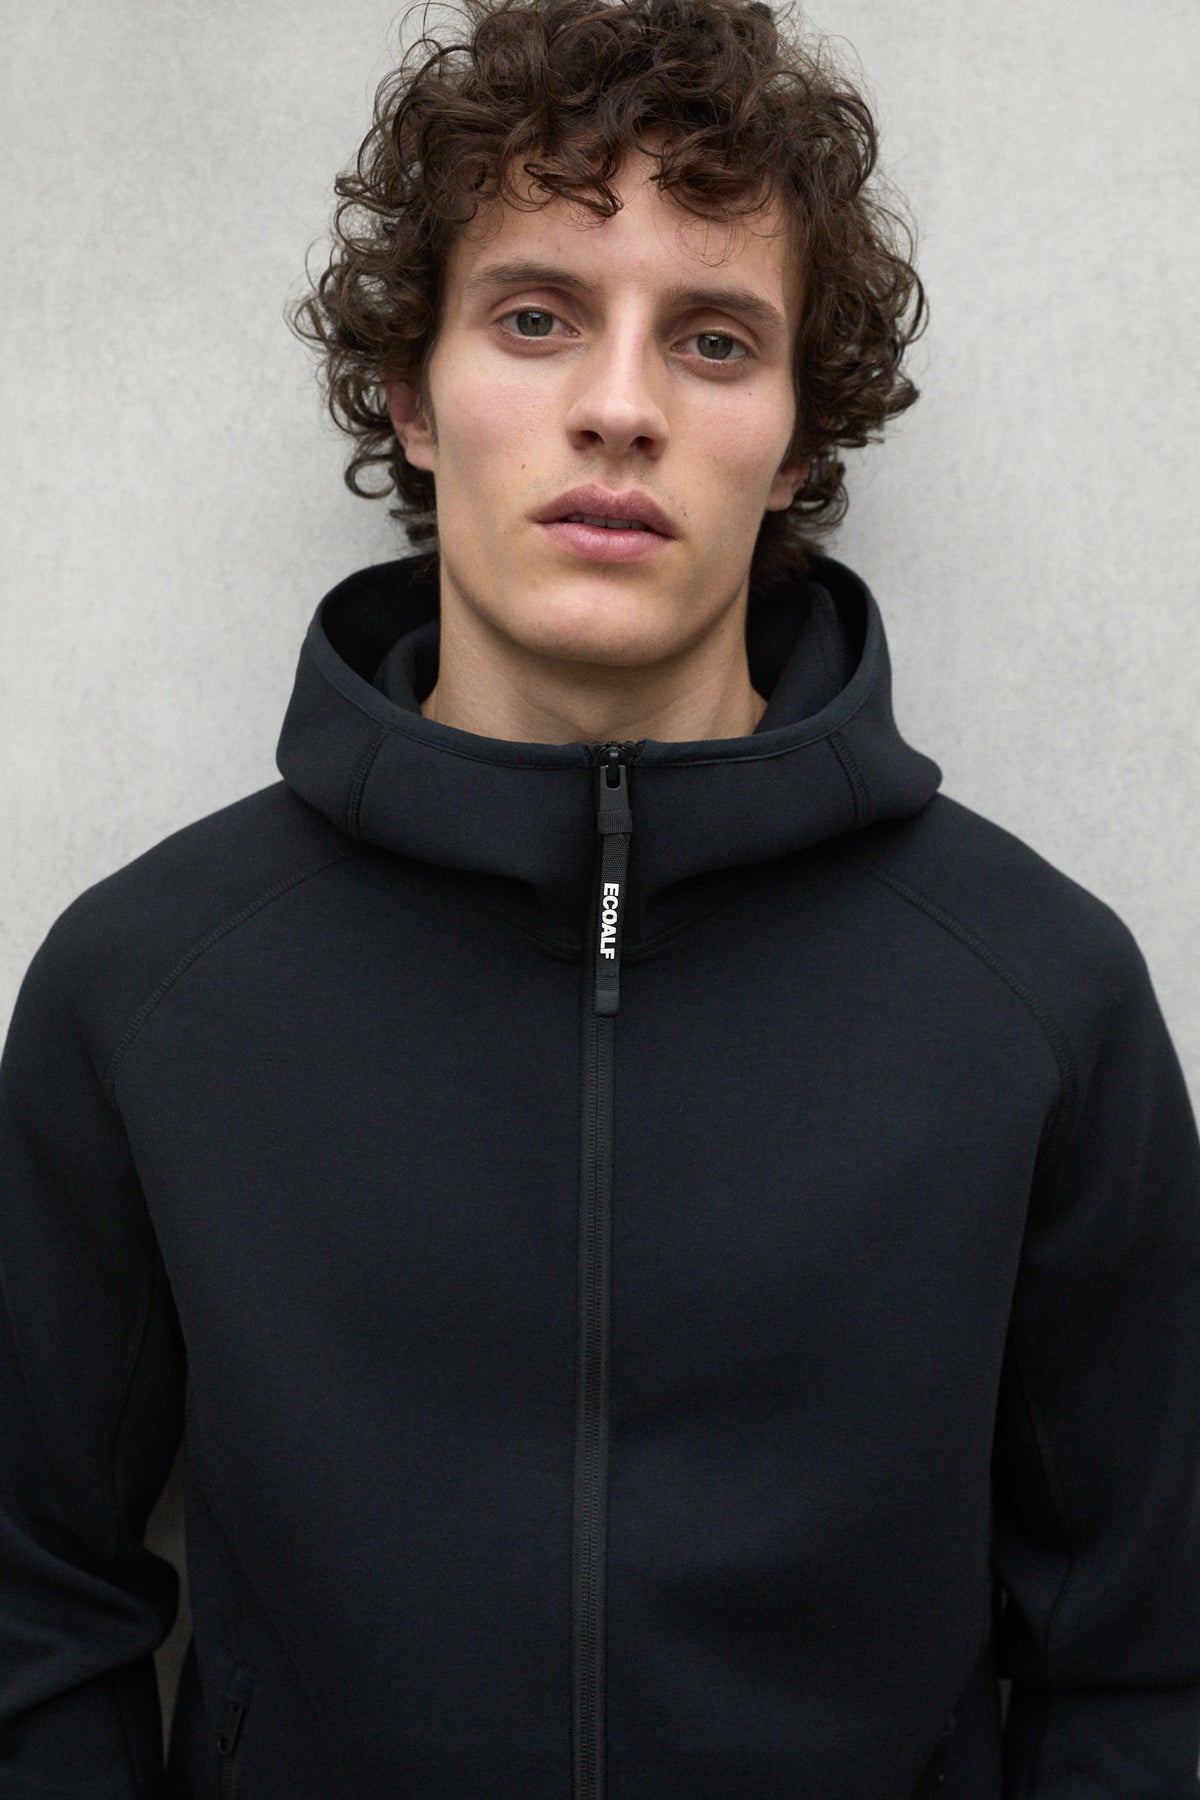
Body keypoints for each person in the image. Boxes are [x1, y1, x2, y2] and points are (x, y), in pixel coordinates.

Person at [1, 0, 1198, 1791]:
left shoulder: (1038, 995)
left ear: (799, 445)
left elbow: (1147, 1661)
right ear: (413, 397)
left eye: (714, 340)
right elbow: (31, 1608)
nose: (620, 408)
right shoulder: (147, 985)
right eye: (537, 317)